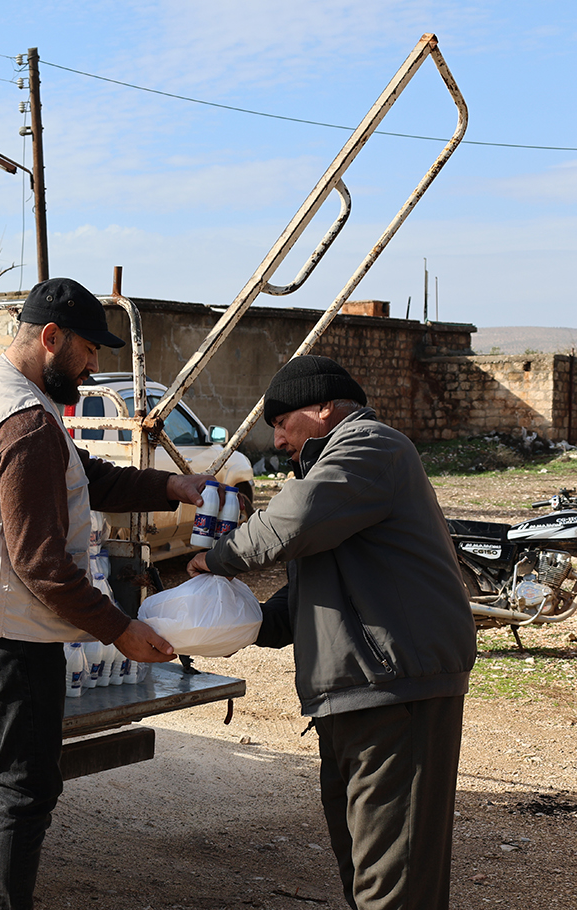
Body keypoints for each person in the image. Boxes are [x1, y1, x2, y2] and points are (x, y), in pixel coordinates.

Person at [0, 277, 216, 910]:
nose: (93, 368)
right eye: (88, 351)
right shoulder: (27, 421)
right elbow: (40, 563)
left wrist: (169, 487)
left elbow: (77, 473)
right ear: (51, 338)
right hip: (9, 636)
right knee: (23, 793)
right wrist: (119, 628)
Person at [187, 354, 475, 910]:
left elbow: (294, 520)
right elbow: (315, 590)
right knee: (363, 873)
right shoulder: (336, 476)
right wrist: (233, 621)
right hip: (353, 695)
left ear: (322, 408)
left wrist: (215, 560)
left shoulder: (372, 447)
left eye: (282, 421)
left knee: (395, 885)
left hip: (397, 691)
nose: (277, 439)